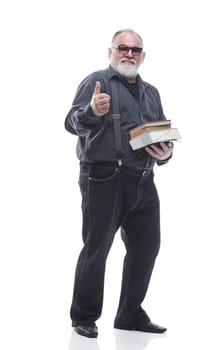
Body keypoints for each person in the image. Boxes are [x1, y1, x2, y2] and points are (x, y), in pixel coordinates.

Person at [64, 28, 173, 338]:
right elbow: (72, 123)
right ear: (110, 52)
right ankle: (84, 317)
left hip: (143, 179)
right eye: (122, 48)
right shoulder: (96, 82)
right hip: (104, 178)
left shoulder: (151, 92)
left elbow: (158, 131)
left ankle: (129, 313)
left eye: (135, 50)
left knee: (147, 247)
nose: (129, 53)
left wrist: (165, 153)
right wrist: (90, 111)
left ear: (143, 56)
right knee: (97, 249)